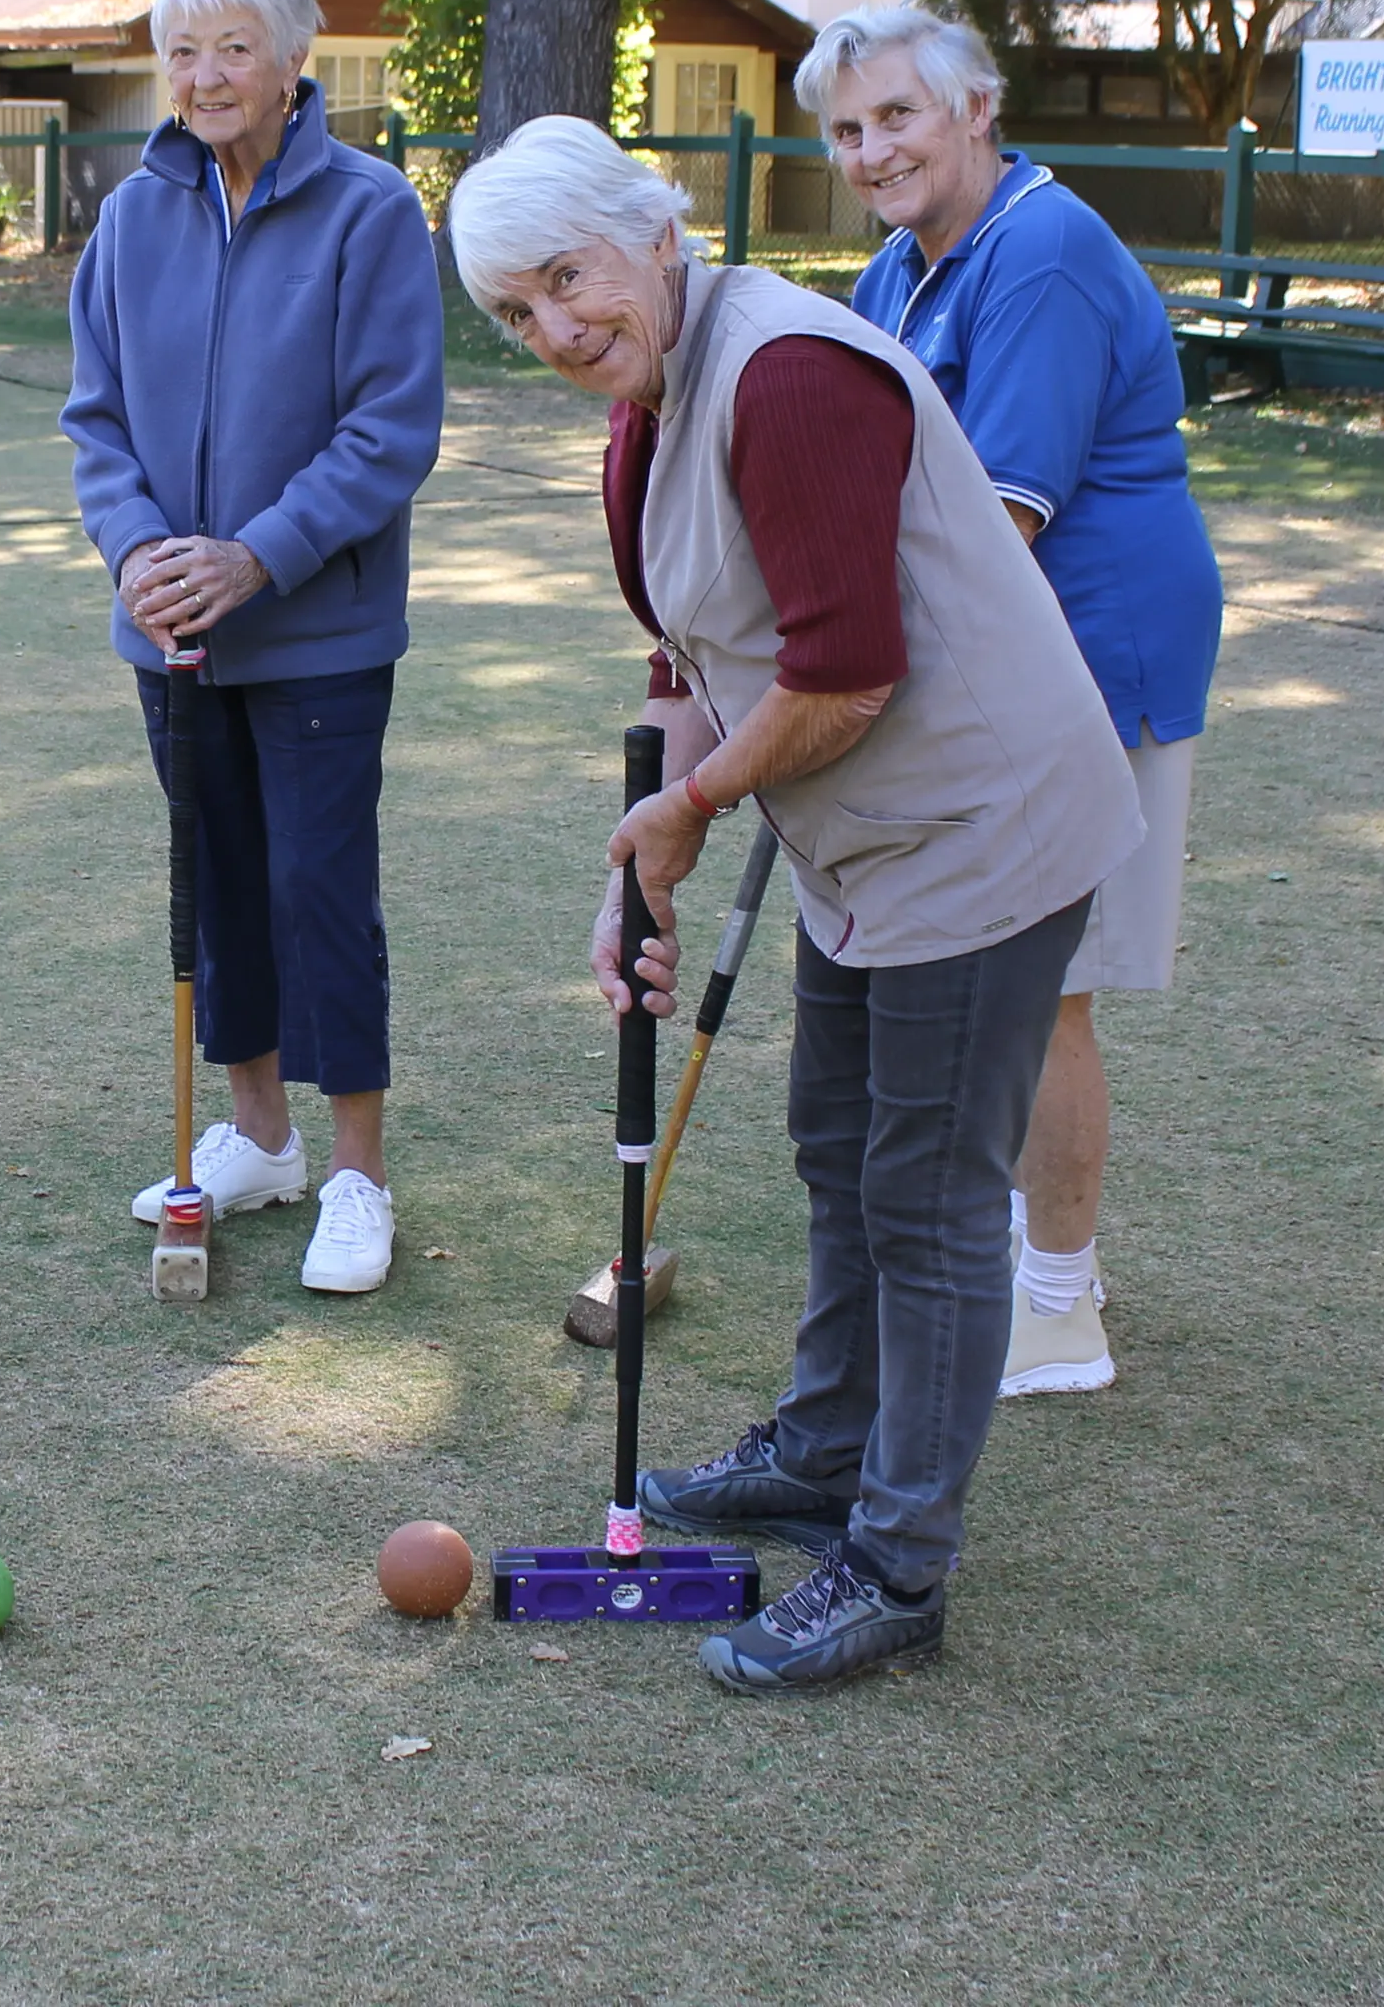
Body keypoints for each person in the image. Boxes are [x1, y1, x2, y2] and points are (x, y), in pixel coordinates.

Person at [448, 116, 1138, 1693]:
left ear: (655, 235)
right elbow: (701, 657)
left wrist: (687, 814)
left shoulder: (790, 378)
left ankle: (898, 1563)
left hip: (982, 823)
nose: (557, 327)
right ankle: (827, 1450)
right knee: (839, 1144)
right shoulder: (651, 407)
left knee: (931, 1195)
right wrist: (645, 842)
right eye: (516, 310)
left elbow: (845, 674)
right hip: (865, 839)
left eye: (571, 277)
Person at [802, 6, 1222, 1398]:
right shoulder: (901, 268)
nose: (872, 150)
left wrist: (838, 648)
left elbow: (1004, 514)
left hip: (1089, 652)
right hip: (995, 654)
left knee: (1050, 992)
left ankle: (1057, 1303)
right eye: (849, 129)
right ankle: (1001, 1252)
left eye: (898, 117)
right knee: (988, 976)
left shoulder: (1037, 252)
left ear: (976, 107)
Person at [61, 0, 445, 1295]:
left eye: (233, 47)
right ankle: (259, 1134)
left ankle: (355, 1173)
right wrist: (139, 555)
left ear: (295, 63)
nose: (205, 74)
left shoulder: (372, 211)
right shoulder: (130, 218)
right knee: (214, 882)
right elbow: (95, 421)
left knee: (316, 891)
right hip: (169, 631)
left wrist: (257, 557)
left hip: (315, 630)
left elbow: (390, 429)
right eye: (181, 50)